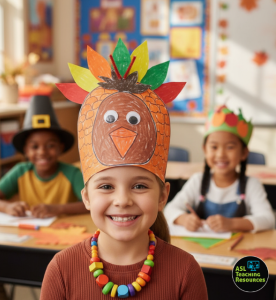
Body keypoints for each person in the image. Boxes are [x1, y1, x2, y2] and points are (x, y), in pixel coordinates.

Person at [40, 41, 208, 299]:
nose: (122, 200)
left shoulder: (185, 271)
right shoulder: (61, 271)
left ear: (163, 195)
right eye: (106, 186)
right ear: (86, 196)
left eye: (139, 186)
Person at [0, 95, 87, 300]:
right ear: (26, 151)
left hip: (59, 246)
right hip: (26, 243)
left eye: (50, 145)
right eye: (34, 146)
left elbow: (92, 202)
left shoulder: (71, 173)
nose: (42, 152)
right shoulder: (21, 171)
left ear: (61, 147)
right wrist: (7, 207)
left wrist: (58, 209)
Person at [164, 105, 275, 233]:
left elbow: (268, 219)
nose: (221, 154)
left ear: (244, 153)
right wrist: (183, 219)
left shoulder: (251, 185)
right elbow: (169, 209)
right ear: (205, 150)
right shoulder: (197, 181)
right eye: (214, 147)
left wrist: (231, 223)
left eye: (230, 147)